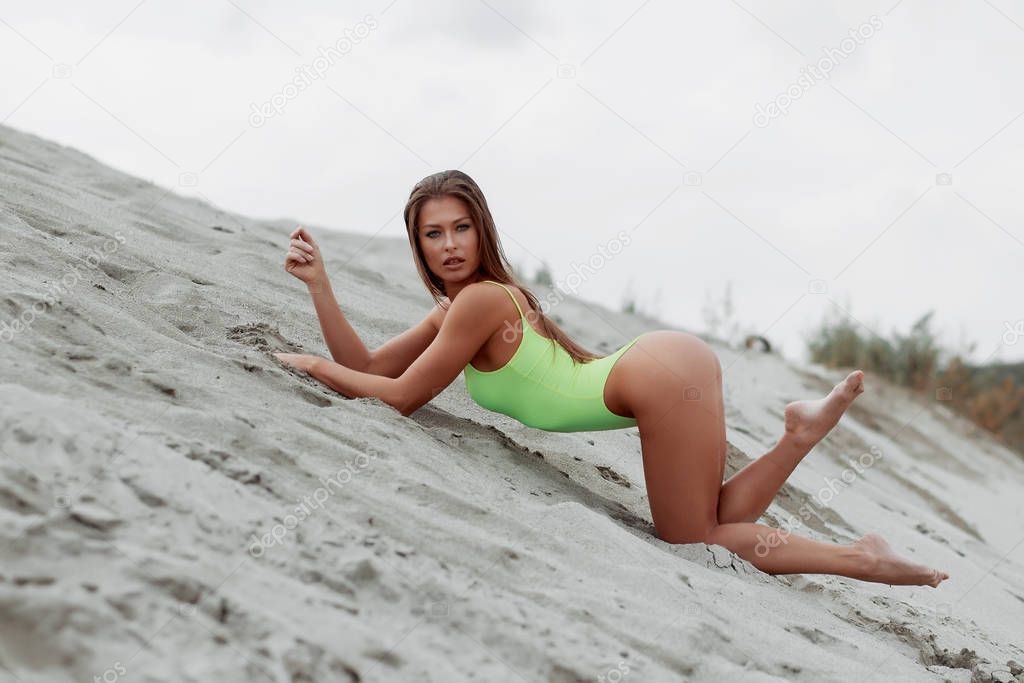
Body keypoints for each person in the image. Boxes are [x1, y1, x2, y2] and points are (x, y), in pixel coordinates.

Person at [273, 170, 949, 588]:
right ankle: (797, 437)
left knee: (693, 538)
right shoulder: (461, 309)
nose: (449, 245)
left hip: (657, 375)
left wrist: (310, 366)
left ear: (483, 233)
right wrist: (321, 288)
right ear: (416, 242)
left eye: (461, 228)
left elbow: (397, 399)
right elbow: (371, 370)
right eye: (432, 234)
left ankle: (861, 557)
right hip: (668, 363)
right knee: (716, 519)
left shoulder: (480, 302)